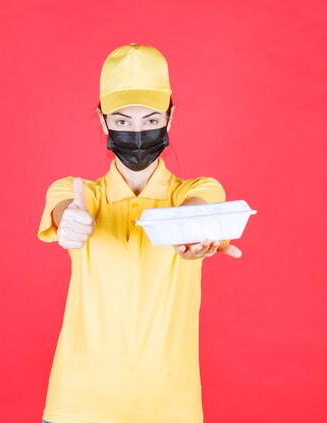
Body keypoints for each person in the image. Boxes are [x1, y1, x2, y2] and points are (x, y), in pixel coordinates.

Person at [38, 43, 242, 423]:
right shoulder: (77, 192)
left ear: (170, 117)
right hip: (77, 406)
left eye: (150, 121)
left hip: (170, 409)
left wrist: (191, 235)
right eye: (121, 120)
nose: (136, 132)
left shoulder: (198, 190)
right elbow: (64, 210)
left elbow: (196, 211)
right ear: (102, 121)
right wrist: (71, 221)